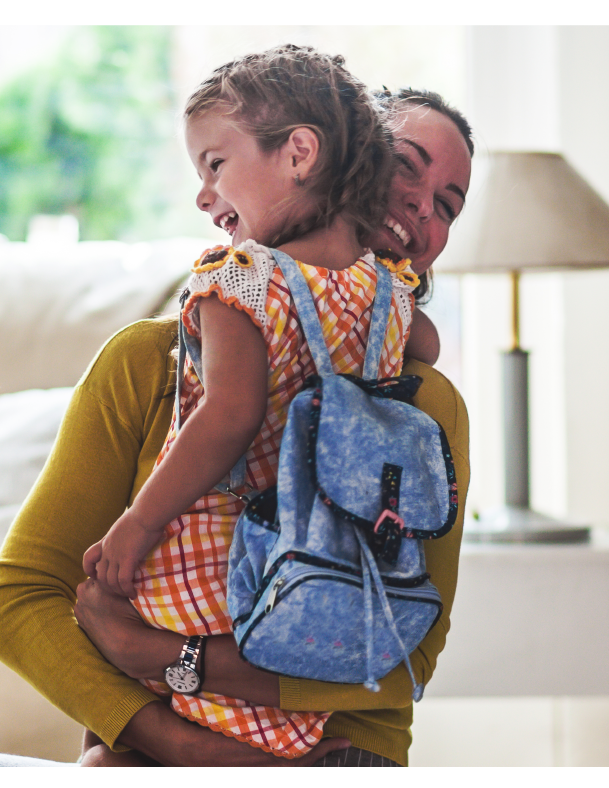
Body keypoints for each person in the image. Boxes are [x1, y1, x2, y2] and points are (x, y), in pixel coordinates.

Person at [0, 85, 473, 768]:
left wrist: (163, 656)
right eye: (406, 164)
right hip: (155, 746)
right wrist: (177, 742)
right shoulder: (149, 361)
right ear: (336, 159)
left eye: (448, 205)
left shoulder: (426, 407)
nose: (422, 205)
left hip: (337, 756)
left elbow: (407, 660)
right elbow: (18, 603)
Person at [75, 44, 439, 761]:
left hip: (211, 572)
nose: (204, 196)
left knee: (91, 617)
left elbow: (230, 413)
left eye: (215, 164)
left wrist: (137, 525)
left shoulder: (237, 280)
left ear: (300, 152)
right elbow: (422, 348)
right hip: (315, 585)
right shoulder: (389, 297)